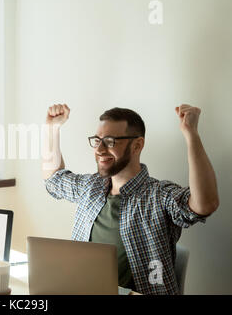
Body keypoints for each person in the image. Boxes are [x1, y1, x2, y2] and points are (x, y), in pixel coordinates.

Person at [42, 103, 219, 295]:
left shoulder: (158, 195)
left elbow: (205, 204)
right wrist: (51, 129)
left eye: (109, 141)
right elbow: (54, 180)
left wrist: (191, 134)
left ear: (137, 145)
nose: (100, 150)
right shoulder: (90, 188)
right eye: (97, 140)